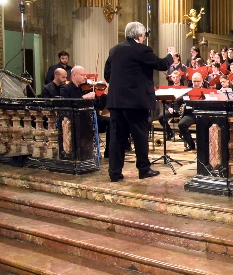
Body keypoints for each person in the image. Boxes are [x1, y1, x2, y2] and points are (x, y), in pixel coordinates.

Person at [104, 21, 174, 182]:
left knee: (116, 138)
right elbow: (161, 64)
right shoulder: (142, 49)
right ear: (140, 36)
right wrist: (171, 55)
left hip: (116, 101)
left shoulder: (114, 50)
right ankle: (143, 169)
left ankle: (114, 172)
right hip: (136, 102)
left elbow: (108, 74)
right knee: (140, 136)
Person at [60, 65, 110, 158]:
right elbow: (67, 104)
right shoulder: (65, 89)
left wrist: (105, 95)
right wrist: (84, 98)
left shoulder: (86, 88)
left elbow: (100, 106)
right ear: (74, 76)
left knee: (112, 122)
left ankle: (109, 152)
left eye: (85, 75)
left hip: (91, 117)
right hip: (77, 119)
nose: (85, 77)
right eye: (82, 75)